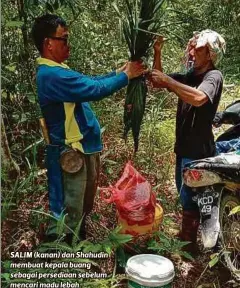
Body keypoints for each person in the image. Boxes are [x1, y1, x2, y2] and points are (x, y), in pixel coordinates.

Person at [31, 14, 146, 242]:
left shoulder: (59, 69)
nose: (68, 45)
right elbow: (94, 90)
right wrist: (125, 76)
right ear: (48, 43)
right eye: (64, 39)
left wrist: (118, 73)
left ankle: (76, 245)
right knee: (69, 209)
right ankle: (63, 256)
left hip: (82, 149)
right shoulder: (51, 75)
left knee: (81, 205)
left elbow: (90, 82)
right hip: (70, 152)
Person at [151, 30, 226, 253]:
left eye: (198, 49)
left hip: (198, 151)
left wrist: (169, 82)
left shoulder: (213, 76)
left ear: (211, 54)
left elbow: (198, 98)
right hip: (183, 148)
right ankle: (189, 240)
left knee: (195, 199)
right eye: (191, 47)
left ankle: (194, 246)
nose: (192, 52)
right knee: (185, 197)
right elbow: (158, 81)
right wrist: (157, 52)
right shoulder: (190, 75)